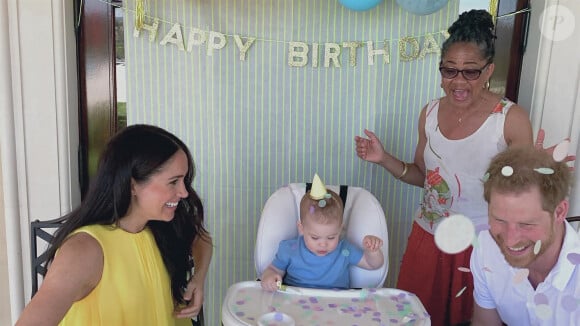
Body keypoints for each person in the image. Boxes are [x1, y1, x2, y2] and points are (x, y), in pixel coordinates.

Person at [354, 9, 534, 325]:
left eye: (470, 72)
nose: (458, 82)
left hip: (481, 245)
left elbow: (524, 195)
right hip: (429, 239)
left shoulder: (510, 119)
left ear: (489, 70)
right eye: (449, 70)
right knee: (417, 319)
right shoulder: (430, 113)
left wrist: (541, 170)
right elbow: (424, 177)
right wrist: (383, 159)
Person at [17, 124, 213, 325]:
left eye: (184, 180)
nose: (184, 192)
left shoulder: (159, 225)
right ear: (132, 185)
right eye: (173, 182)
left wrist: (198, 279)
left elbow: (202, 239)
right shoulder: (84, 250)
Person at [471, 146, 579, 325]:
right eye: (499, 220)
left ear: (559, 212)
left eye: (526, 224)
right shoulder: (486, 247)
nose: (510, 240)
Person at [260, 174, 384, 291]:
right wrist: (269, 277)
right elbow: (273, 269)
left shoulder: (345, 251)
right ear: (301, 228)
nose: (323, 244)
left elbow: (373, 264)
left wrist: (372, 251)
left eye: (331, 237)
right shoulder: (289, 249)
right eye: (315, 237)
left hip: (334, 306)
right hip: (295, 303)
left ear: (340, 229)